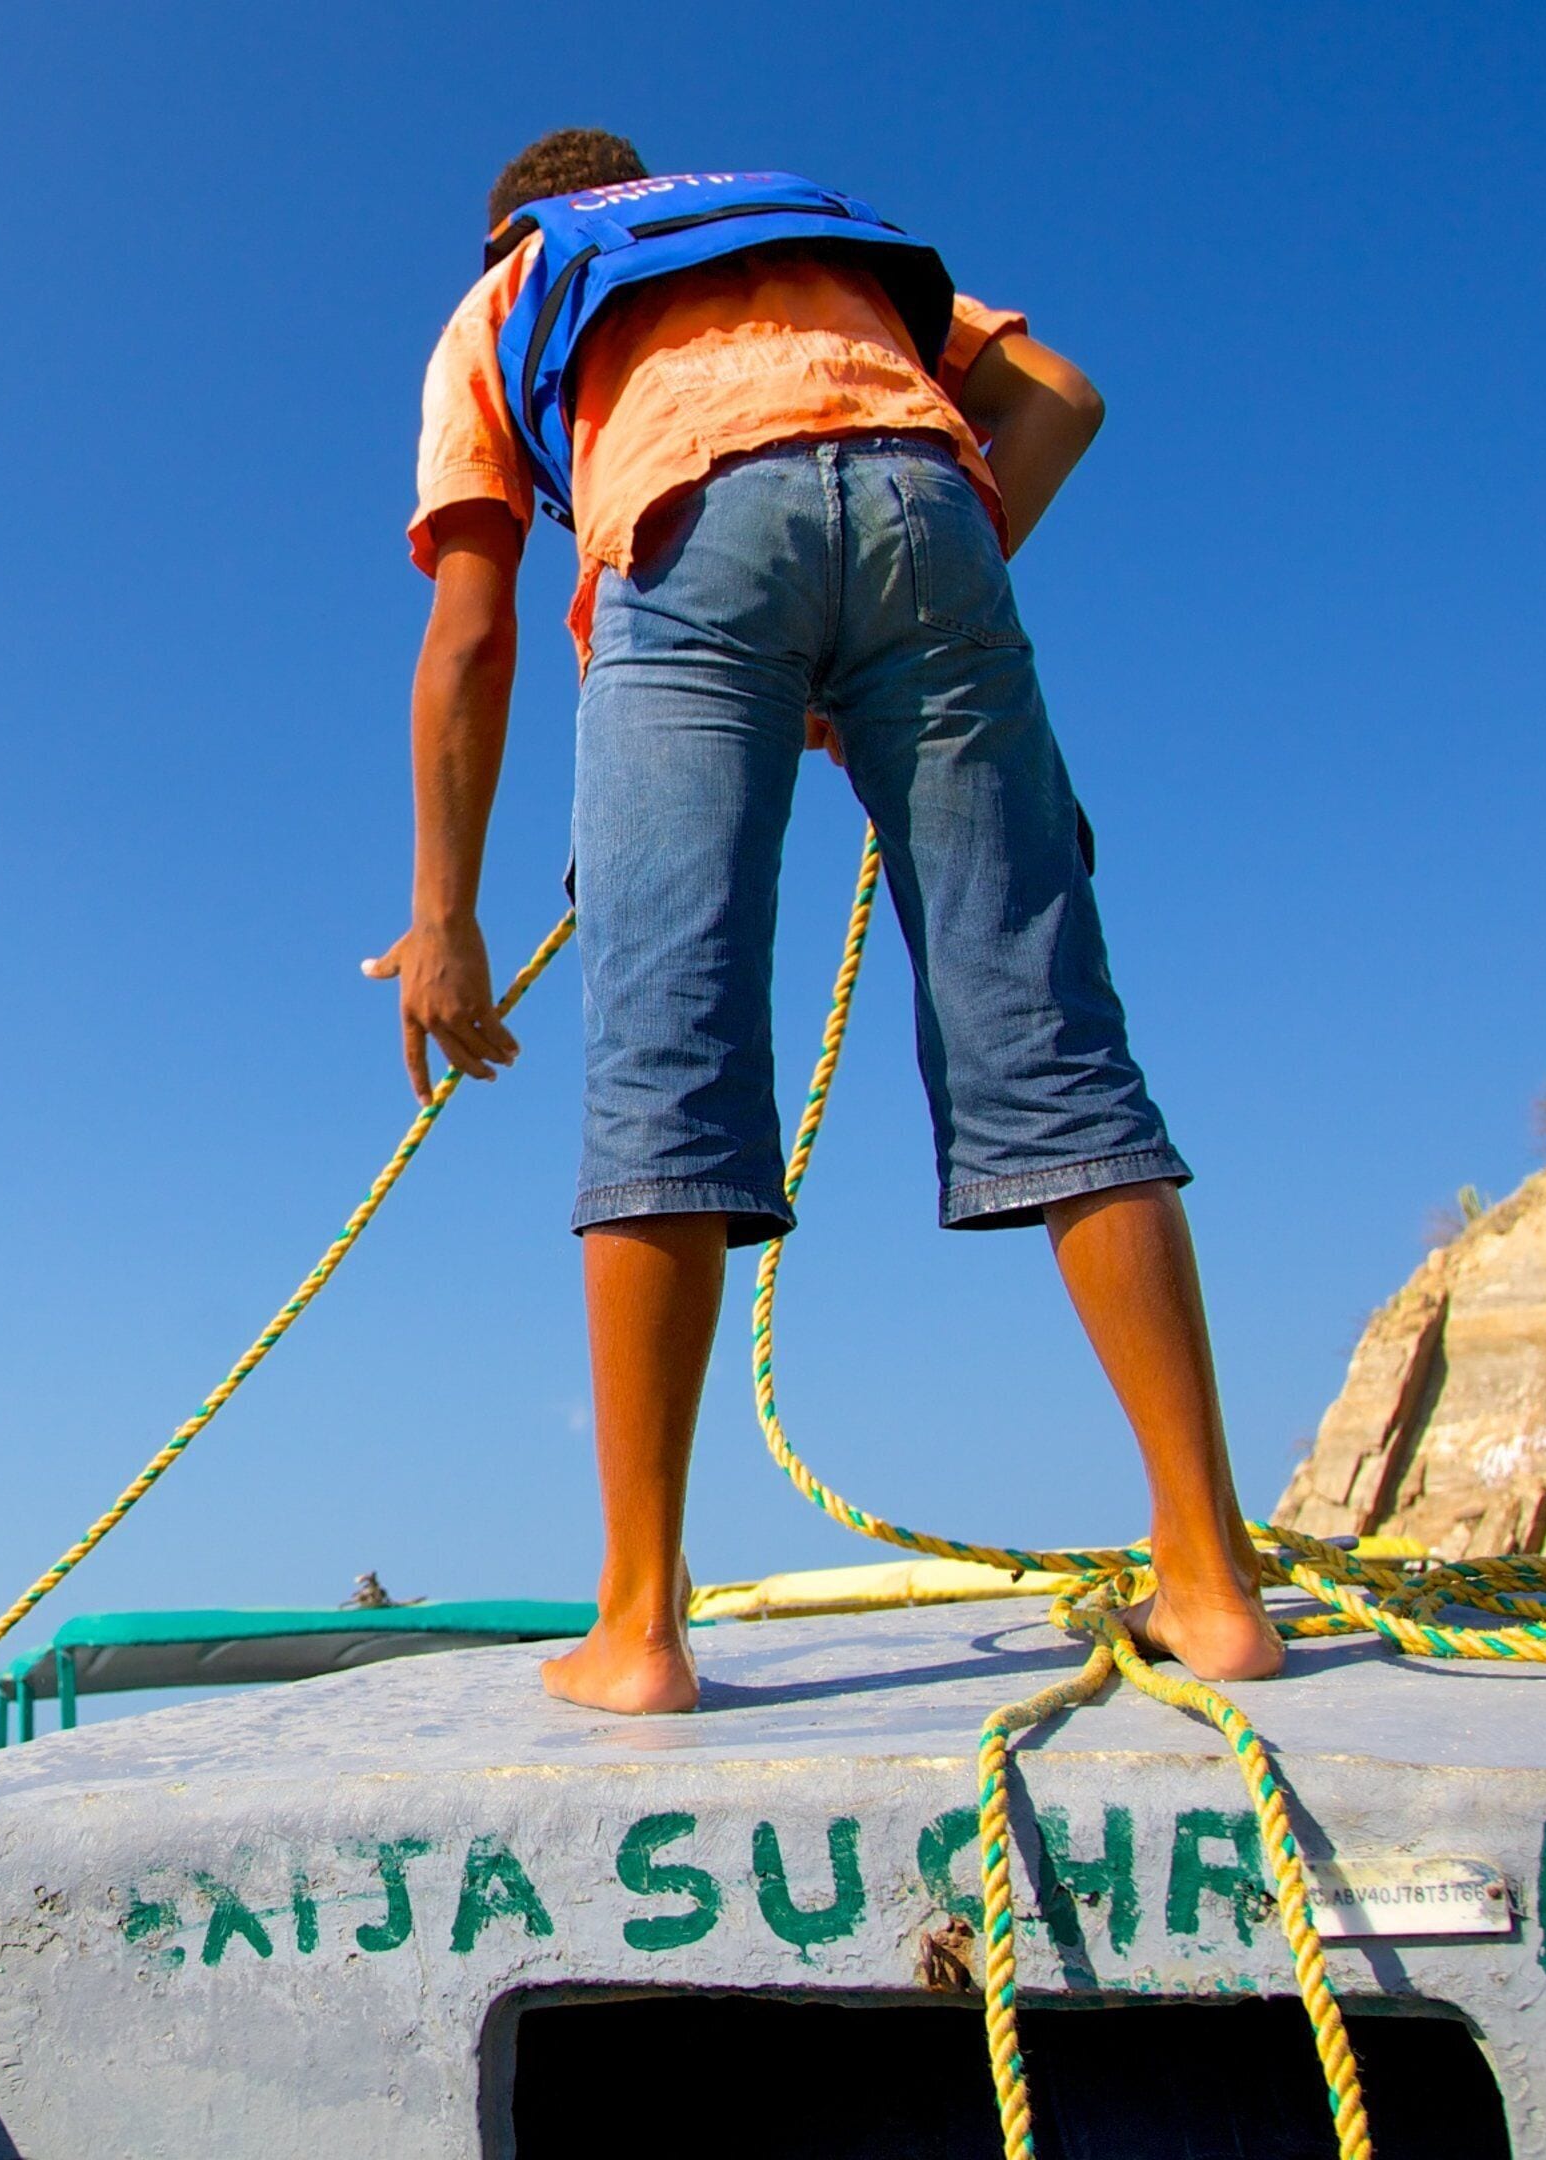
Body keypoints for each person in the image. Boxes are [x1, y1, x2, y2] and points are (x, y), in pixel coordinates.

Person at [361, 130, 1281, 1712]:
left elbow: (471, 630)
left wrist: (443, 915)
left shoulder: (513, 288)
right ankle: (1212, 1578)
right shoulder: (768, 227)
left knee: (669, 1058)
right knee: (1052, 1038)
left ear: (513, 221)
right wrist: (889, 630)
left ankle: (640, 1628)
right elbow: (1058, 396)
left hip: (686, 530)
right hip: (930, 501)